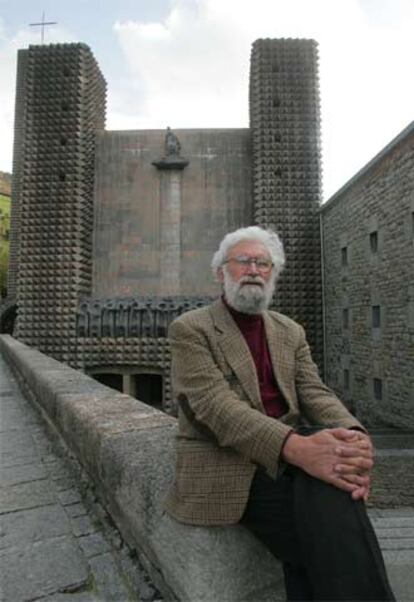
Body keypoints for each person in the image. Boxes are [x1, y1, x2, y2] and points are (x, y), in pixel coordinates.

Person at [165, 226, 395, 601]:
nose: (253, 269)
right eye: (243, 261)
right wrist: (298, 449)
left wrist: (354, 437)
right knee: (334, 520)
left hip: (290, 464)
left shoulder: (290, 330)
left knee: (331, 498)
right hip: (226, 462)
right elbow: (214, 407)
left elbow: (314, 392)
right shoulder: (191, 329)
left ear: (273, 274)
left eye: (263, 263)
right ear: (220, 272)